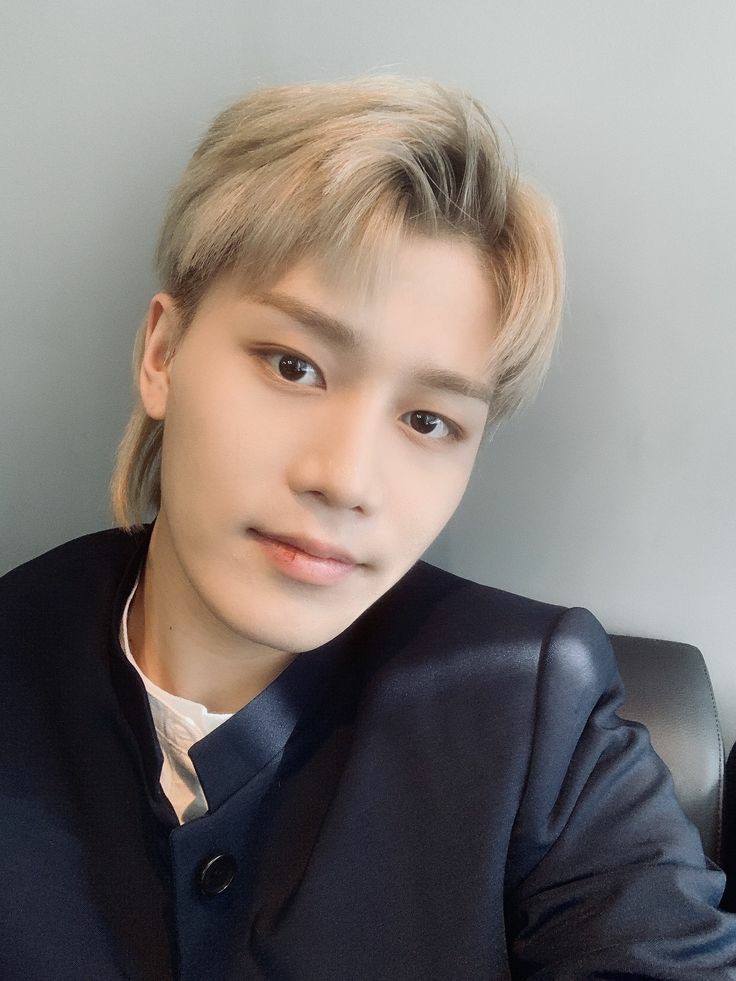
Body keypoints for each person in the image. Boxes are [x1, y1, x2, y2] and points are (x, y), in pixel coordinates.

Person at [1, 74, 735, 981]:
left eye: (428, 420)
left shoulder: (535, 709)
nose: (345, 479)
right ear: (163, 353)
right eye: (293, 365)